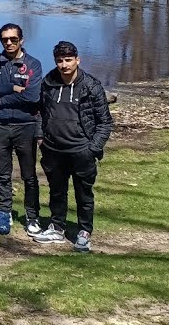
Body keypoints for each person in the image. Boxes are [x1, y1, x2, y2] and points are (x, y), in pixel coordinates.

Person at [32, 41, 113, 253]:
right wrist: (41, 137)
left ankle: (84, 232)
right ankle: (57, 227)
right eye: (60, 60)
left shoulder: (91, 86)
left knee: (83, 194)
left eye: (68, 60)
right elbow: (40, 112)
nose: (64, 65)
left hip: (81, 150)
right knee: (57, 191)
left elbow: (104, 122)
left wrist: (93, 148)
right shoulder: (48, 83)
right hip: (54, 149)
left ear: (77, 60)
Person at [0, 22, 44, 234]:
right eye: (4, 39)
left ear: (21, 40)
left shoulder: (32, 64)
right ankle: (4, 211)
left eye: (13, 39)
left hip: (25, 125)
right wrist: (13, 88)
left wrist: (2, 96)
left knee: (29, 175)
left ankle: (32, 216)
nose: (8, 43)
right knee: (3, 172)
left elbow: (33, 97)